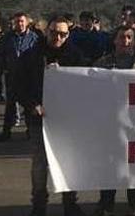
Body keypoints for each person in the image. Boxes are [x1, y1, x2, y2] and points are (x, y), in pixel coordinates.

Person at [15, 16, 86, 216]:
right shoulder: (30, 56)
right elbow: (19, 85)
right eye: (54, 32)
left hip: (67, 120)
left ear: (68, 34)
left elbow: (85, 85)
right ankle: (39, 204)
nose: (58, 37)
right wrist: (31, 105)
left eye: (63, 34)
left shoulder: (76, 56)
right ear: (47, 32)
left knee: (69, 161)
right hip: (39, 119)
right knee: (39, 163)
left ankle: (70, 202)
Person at [91, 26, 135, 216]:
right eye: (122, 37)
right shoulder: (103, 63)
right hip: (111, 121)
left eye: (129, 37)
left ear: (134, 41)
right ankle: (106, 202)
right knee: (110, 163)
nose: (125, 41)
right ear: (114, 40)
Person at [0, 12, 38, 141]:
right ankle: (6, 133)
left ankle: (30, 131)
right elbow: (1, 54)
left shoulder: (34, 37)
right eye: (17, 21)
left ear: (27, 22)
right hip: (12, 75)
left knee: (29, 105)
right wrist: (4, 68)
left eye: (21, 21)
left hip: (28, 76)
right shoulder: (7, 37)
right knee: (10, 106)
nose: (19, 24)